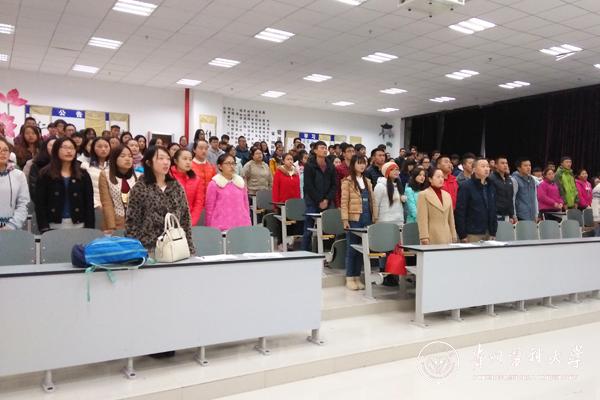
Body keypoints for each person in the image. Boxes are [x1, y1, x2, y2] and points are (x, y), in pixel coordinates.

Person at [126, 145, 194, 258]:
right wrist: (133, 253)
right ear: (149, 163)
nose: (166, 162)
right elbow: (132, 224)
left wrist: (190, 248)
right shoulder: (140, 188)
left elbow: (185, 220)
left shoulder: (176, 187)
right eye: (161, 158)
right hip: (149, 249)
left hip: (176, 247)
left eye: (168, 158)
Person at [35, 137, 95, 231]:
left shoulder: (83, 174)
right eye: (65, 147)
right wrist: (44, 227)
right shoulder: (45, 174)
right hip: (53, 225)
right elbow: (40, 204)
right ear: (56, 150)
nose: (69, 151)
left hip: (79, 225)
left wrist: (89, 228)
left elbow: (89, 204)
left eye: (72, 148)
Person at [340, 155, 373, 290]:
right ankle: (349, 277)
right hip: (354, 219)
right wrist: (345, 219)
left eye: (364, 163)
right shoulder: (347, 181)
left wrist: (374, 218)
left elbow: (372, 201)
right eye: (359, 163)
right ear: (353, 165)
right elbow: (344, 202)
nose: (362, 166)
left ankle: (357, 277)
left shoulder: (368, 181)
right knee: (352, 249)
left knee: (362, 250)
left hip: (367, 217)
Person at [302, 141, 336, 251]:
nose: (325, 150)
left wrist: (326, 199)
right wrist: (319, 200)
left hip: (327, 201)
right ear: (315, 151)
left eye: (325, 148)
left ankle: (327, 252)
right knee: (308, 229)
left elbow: (334, 185)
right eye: (322, 148)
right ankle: (304, 252)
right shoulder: (309, 165)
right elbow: (308, 185)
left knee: (330, 228)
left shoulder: (331, 166)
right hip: (312, 201)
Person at [454, 158, 497, 242]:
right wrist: (462, 234)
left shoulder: (491, 186)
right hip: (472, 233)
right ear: (474, 169)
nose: (486, 169)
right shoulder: (466, 186)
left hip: (489, 232)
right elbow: (460, 212)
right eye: (483, 166)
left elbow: (493, 209)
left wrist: (493, 232)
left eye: (487, 166)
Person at [204, 154, 251, 231]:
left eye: (233, 163)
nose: (231, 166)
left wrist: (248, 221)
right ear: (220, 166)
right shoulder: (214, 184)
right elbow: (209, 208)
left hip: (242, 224)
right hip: (221, 226)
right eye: (228, 163)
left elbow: (246, 205)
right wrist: (210, 229)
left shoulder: (240, 182)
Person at [99, 145, 138, 234]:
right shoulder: (105, 175)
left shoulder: (138, 176)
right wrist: (111, 227)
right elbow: (107, 203)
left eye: (130, 156)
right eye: (123, 156)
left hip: (135, 223)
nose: (127, 159)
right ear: (114, 159)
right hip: (115, 221)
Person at [417, 168, 457, 245]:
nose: (441, 179)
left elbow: (451, 218)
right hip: (432, 235)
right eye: (438, 177)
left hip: (447, 235)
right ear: (430, 179)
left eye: (442, 177)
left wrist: (453, 234)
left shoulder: (447, 195)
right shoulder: (423, 194)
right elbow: (422, 218)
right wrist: (424, 236)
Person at [0, 137, 30, 230]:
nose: (2, 153)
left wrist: (11, 225)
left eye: (5, 150)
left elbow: (24, 203)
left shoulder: (19, 175)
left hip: (12, 229)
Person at [170, 148, 205, 226]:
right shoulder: (168, 177)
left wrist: (191, 222)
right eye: (184, 159)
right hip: (170, 220)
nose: (188, 162)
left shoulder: (196, 179)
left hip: (189, 221)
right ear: (175, 161)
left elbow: (198, 203)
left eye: (190, 159)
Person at [81, 137, 111, 209]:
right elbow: (85, 189)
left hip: (111, 205)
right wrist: (97, 205)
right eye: (99, 146)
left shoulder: (113, 166)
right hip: (93, 205)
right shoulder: (85, 166)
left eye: (106, 146)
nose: (103, 149)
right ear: (93, 148)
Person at [373, 161, 406, 226]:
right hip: (385, 221)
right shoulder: (380, 186)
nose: (396, 172)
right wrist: (375, 219)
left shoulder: (398, 185)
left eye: (397, 170)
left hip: (399, 220)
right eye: (392, 169)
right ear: (386, 172)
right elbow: (376, 204)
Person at [488, 156, 516, 222]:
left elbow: (510, 198)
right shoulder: (491, 178)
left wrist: (511, 215)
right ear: (496, 165)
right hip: (495, 215)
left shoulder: (509, 179)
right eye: (502, 163)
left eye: (506, 163)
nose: (505, 165)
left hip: (507, 215)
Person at [335, 143, 354, 207]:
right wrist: (338, 204)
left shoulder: (356, 168)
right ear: (343, 154)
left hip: (354, 200)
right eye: (349, 151)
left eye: (353, 151)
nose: (352, 153)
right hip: (343, 199)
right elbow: (336, 188)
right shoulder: (338, 168)